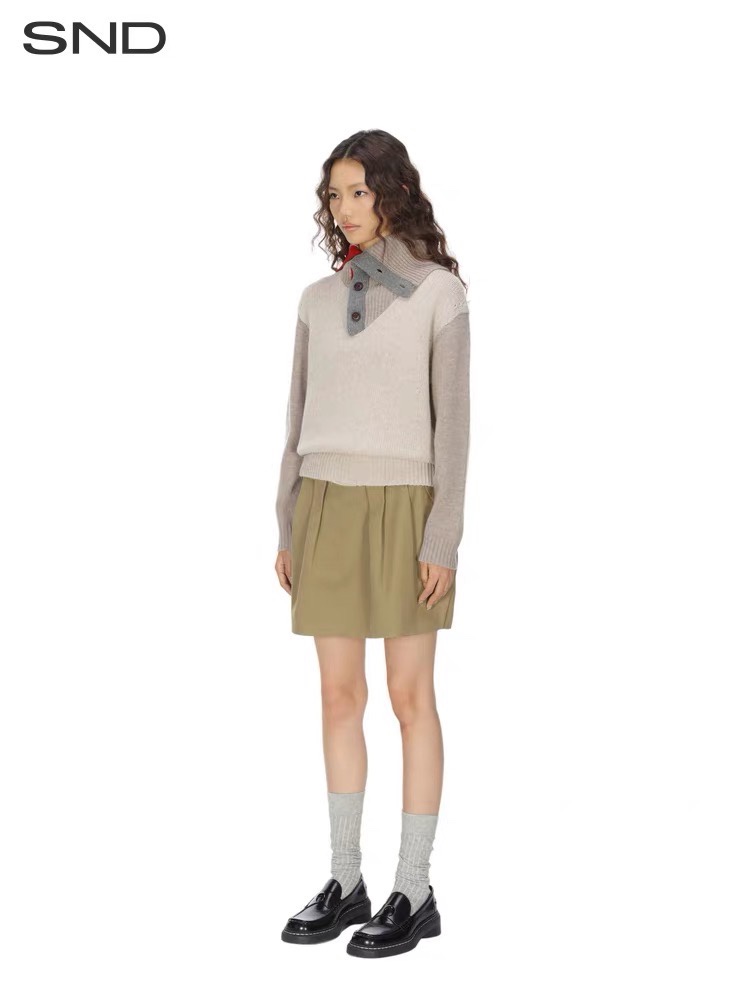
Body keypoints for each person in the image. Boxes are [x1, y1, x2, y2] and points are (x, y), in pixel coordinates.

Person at [274, 129, 471, 958]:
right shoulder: (317, 300)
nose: (345, 207)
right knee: (337, 697)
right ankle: (345, 877)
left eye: (359, 190)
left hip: (404, 506)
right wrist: (287, 520)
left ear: (392, 191)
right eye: (335, 194)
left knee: (409, 695)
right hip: (325, 502)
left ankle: (414, 887)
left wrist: (442, 537)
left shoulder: (439, 293)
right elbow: (297, 418)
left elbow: (453, 426)